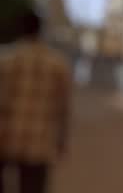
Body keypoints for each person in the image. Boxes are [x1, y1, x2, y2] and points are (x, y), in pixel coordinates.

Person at [0, 10, 72, 193]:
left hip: (5, 137)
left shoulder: (6, 60)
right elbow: (63, 107)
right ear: (40, 30)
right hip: (39, 142)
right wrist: (61, 140)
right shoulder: (57, 64)